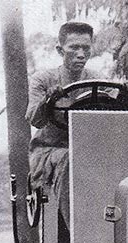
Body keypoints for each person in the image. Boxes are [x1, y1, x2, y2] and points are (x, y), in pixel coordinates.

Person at [25, 21, 101, 193]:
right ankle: (75, 220)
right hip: (50, 150)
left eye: (86, 48)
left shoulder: (98, 80)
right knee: (70, 159)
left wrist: (127, 95)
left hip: (89, 149)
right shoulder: (42, 80)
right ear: (60, 50)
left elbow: (115, 112)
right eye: (74, 48)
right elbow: (35, 120)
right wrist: (48, 100)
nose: (81, 54)